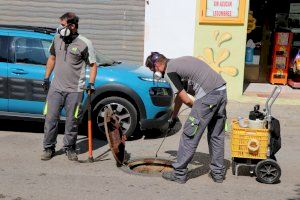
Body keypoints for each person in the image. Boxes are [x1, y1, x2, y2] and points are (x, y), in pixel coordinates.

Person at [145, 52, 227, 183]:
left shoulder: (169, 72)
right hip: (221, 91)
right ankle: (218, 173)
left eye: (152, 69)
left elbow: (186, 100)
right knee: (216, 135)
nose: (154, 72)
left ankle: (179, 174)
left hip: (208, 96)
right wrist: (174, 116)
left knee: (189, 134)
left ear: (157, 64)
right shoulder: (179, 63)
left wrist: (199, 110)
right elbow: (179, 96)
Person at [41, 12, 97, 161]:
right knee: (50, 119)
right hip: (56, 88)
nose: (59, 28)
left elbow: (93, 65)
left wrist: (91, 83)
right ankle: (48, 148)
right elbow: (52, 58)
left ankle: (70, 148)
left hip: (75, 90)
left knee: (72, 121)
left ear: (72, 26)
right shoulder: (57, 38)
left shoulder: (85, 43)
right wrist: (46, 78)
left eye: (63, 25)